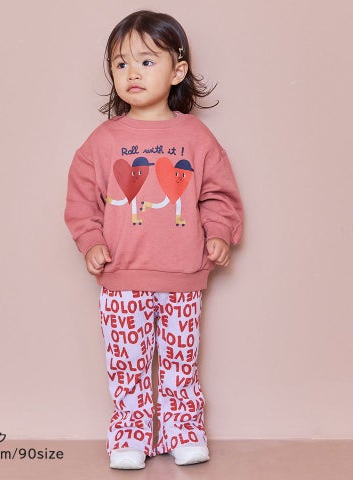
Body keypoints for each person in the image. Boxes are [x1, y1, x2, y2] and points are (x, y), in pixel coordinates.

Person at [64, 10, 243, 470]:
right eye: (121, 63)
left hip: (183, 276)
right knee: (127, 365)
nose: (132, 73)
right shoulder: (102, 141)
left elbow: (218, 194)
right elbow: (81, 200)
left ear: (177, 70)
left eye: (146, 61)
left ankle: (184, 430)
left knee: (181, 363)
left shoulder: (197, 137)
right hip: (121, 277)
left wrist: (220, 233)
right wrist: (90, 241)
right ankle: (130, 435)